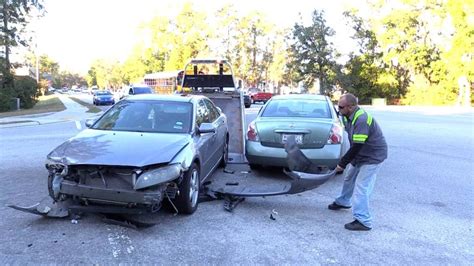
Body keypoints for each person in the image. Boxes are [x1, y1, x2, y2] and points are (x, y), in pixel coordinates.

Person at [328, 93, 388, 231]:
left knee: (362, 187)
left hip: (372, 156)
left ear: (350, 107)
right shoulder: (348, 116)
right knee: (349, 178)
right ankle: (343, 201)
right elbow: (353, 142)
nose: (339, 110)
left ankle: (363, 220)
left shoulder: (361, 119)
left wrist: (342, 163)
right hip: (361, 155)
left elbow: (357, 145)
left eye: (341, 107)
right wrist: (348, 161)